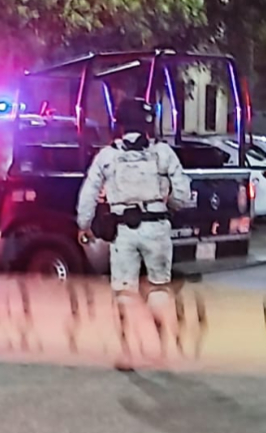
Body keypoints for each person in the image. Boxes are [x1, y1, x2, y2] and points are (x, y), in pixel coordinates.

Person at [76, 98, 191, 313]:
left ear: (120, 124)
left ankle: (129, 328)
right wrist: (169, 208)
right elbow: (183, 194)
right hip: (157, 228)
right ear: (147, 124)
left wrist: (84, 225)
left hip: (122, 232)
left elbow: (88, 194)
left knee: (124, 290)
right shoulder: (163, 152)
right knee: (159, 286)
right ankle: (159, 327)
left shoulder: (108, 155)